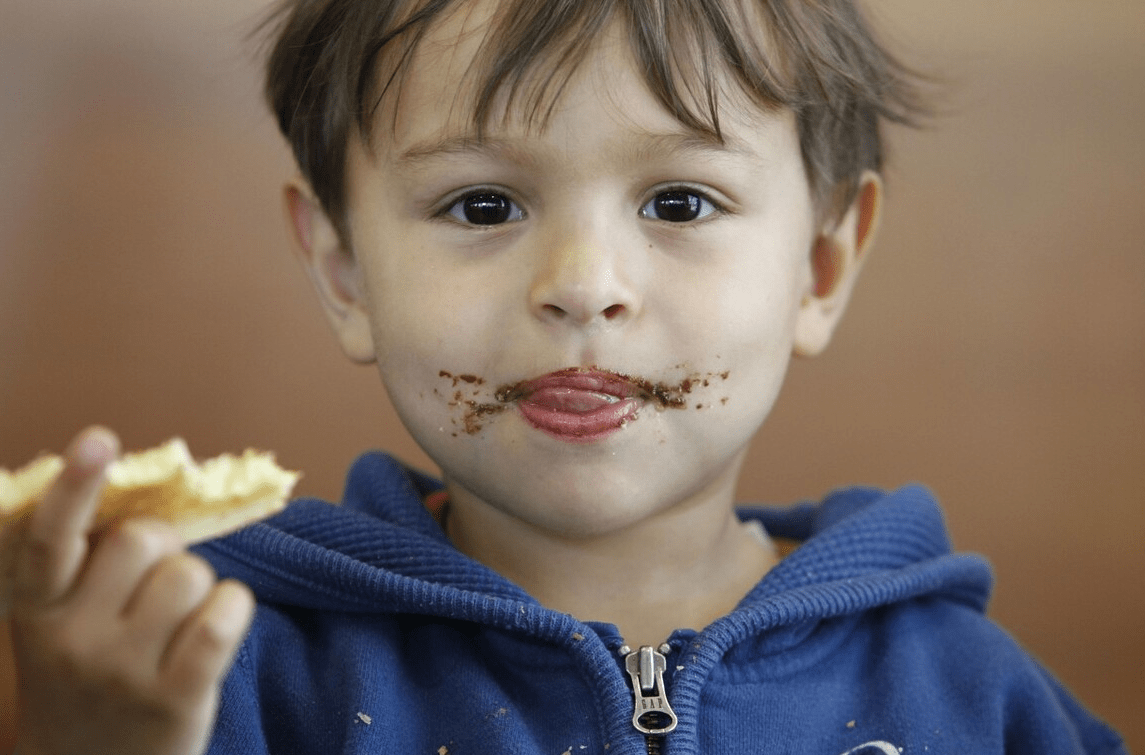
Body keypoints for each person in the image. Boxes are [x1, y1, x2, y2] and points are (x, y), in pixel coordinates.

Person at [5, 1, 1127, 753]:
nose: (583, 285)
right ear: (343, 268)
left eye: (678, 202)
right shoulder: (218, 671)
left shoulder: (972, 699)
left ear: (820, 263)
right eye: (481, 205)